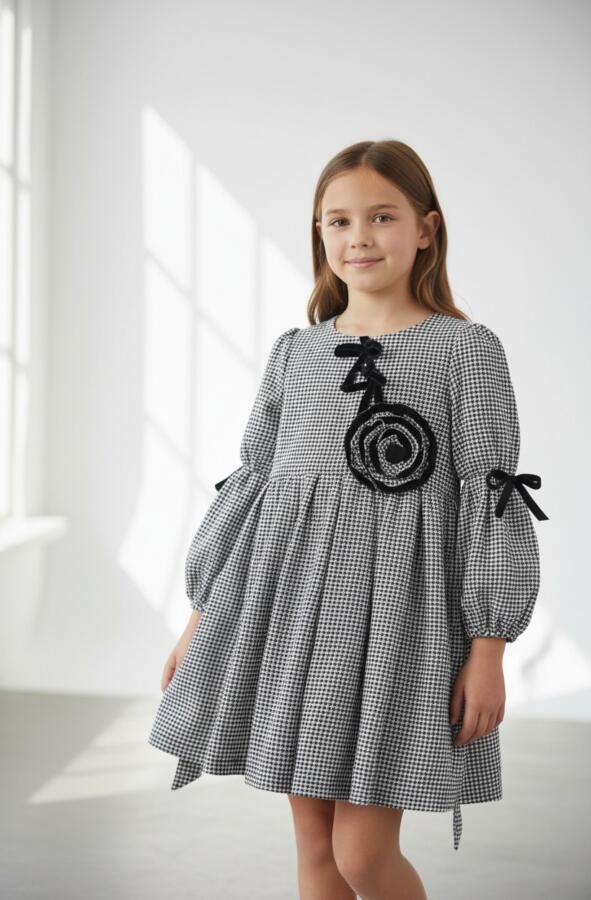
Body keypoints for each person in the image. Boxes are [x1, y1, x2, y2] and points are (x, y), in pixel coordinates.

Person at [147, 139, 548, 899]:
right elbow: (252, 493)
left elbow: (491, 496)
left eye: (381, 217)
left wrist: (489, 646)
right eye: (338, 221)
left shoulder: (464, 350)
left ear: (425, 229)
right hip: (297, 624)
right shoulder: (295, 353)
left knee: (364, 856)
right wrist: (201, 620)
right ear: (320, 234)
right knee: (317, 855)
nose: (358, 237)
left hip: (401, 629)